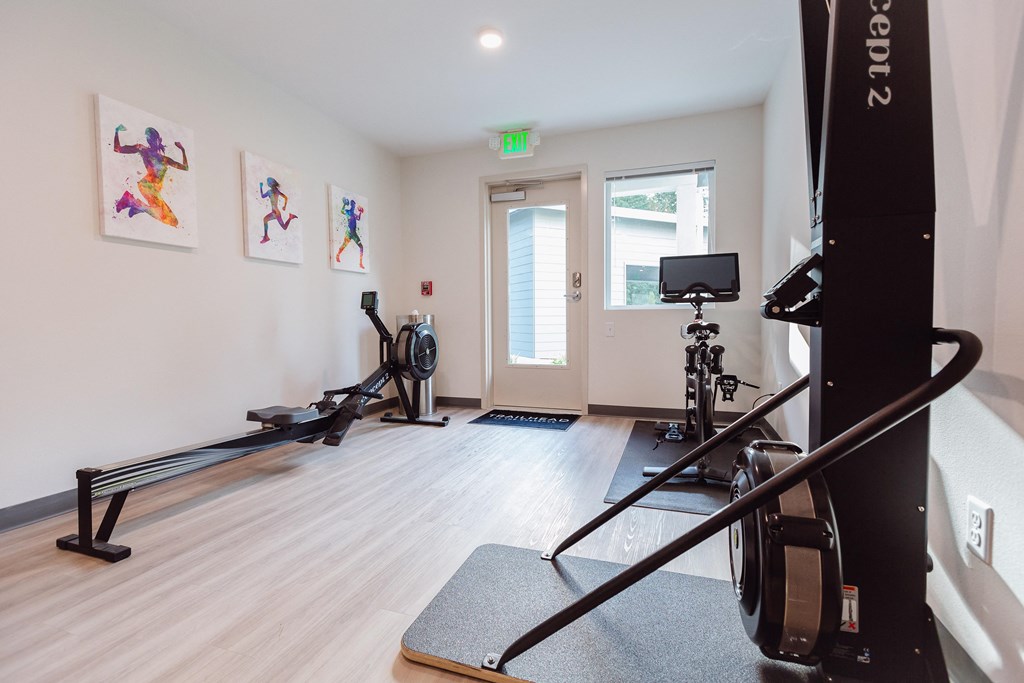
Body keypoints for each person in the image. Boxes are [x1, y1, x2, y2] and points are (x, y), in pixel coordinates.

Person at [113, 125, 189, 227]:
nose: (150, 141)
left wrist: (182, 149)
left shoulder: (165, 159)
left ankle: (133, 202)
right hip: (148, 186)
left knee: (173, 221)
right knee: (171, 220)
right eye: (148, 138)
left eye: (151, 138)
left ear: (158, 139)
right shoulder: (144, 150)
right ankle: (132, 203)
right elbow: (117, 149)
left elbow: (185, 168)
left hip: (152, 189)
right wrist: (116, 131)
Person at [259, 177, 298, 243]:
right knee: (265, 220)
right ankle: (266, 237)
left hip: (275, 213)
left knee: (284, 227)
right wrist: (284, 206)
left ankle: (290, 217)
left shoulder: (270, 192)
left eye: (267, 182)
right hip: (276, 212)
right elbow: (286, 197)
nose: (267, 183)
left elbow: (262, 196)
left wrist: (261, 187)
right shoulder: (277, 191)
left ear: (270, 184)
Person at [335, 197, 365, 268]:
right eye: (353, 204)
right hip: (349, 233)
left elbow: (359, 218)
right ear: (351, 205)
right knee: (344, 245)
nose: (354, 206)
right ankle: (337, 255)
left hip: (354, 234)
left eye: (354, 205)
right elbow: (342, 211)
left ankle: (360, 263)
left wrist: (360, 212)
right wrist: (344, 204)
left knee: (361, 246)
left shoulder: (354, 214)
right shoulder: (347, 211)